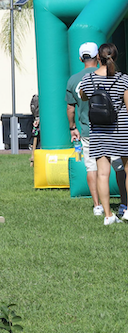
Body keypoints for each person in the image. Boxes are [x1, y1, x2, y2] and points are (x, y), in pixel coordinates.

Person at [77, 42, 128, 225]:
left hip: (99, 131)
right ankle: (127, 209)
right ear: (115, 56)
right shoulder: (123, 79)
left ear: (98, 57)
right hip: (121, 130)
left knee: (102, 174)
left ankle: (108, 215)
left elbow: (83, 97)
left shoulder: (89, 79)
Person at [67, 42, 102, 215]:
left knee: (91, 168)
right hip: (109, 130)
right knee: (117, 166)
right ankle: (124, 204)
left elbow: (70, 108)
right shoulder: (105, 75)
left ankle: (97, 206)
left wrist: (72, 128)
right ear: (98, 56)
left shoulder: (73, 80)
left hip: (87, 131)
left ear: (81, 58)